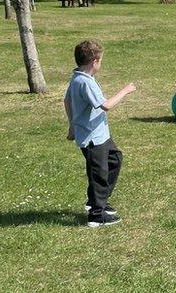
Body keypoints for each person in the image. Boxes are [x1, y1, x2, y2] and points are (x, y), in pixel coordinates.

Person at [64, 39, 136, 227]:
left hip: (99, 134)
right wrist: (125, 91)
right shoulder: (84, 82)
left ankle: (97, 201)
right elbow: (106, 105)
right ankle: (96, 215)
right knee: (99, 173)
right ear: (94, 61)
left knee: (115, 159)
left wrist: (72, 125)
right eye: (100, 60)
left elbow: (67, 101)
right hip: (92, 137)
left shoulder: (78, 77)